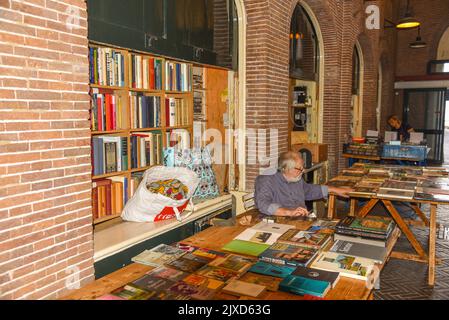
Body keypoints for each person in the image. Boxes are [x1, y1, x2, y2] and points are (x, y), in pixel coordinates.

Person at [254, 151, 352, 217]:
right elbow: (263, 204)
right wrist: (289, 212)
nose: (303, 170)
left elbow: (307, 190)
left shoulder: (296, 178)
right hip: (280, 222)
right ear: (286, 169)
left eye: (303, 167)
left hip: (300, 218)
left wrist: (334, 189)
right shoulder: (266, 180)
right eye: (299, 168)